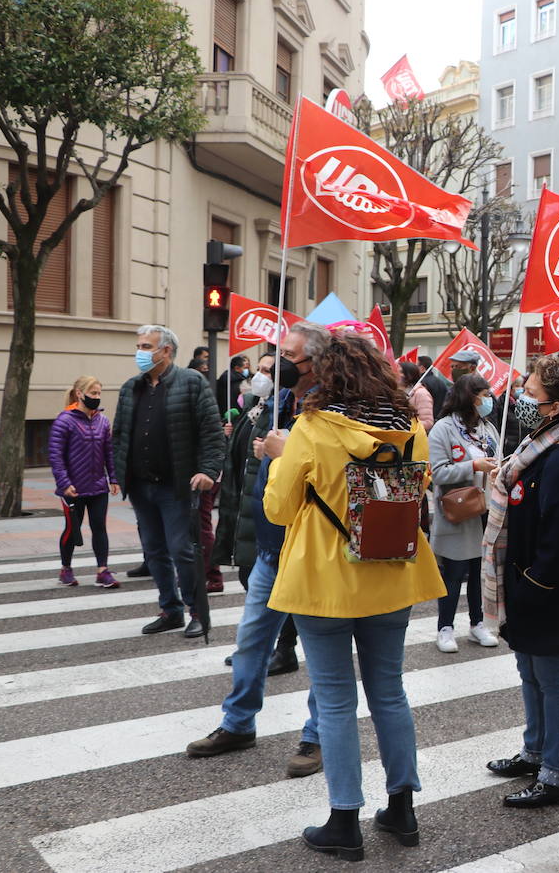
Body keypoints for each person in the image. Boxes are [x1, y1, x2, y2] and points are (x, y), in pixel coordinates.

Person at [262, 331, 446, 860]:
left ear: (327, 373)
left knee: (337, 700)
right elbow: (417, 488)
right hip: (392, 574)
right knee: (390, 691)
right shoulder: (411, 428)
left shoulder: (313, 428)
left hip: (325, 581)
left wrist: (278, 458)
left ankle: (344, 819)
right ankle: (402, 808)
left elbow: (279, 508)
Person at [186, 322, 330, 777]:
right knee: (251, 642)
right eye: (278, 352)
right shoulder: (276, 402)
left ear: (317, 361)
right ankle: (237, 723)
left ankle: (317, 735)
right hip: (270, 544)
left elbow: (330, 474)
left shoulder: (332, 405)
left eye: (290, 354)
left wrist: (284, 453)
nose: (279, 361)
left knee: (321, 652)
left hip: (310, 548)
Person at [483, 354, 559, 808]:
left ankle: (556, 777)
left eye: (530, 393)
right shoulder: (539, 445)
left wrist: (534, 585)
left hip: (543, 590)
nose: (521, 399)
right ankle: (535, 752)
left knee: (552, 677)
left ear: (555, 405)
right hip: (523, 583)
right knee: (529, 671)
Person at [113, 325, 224, 637]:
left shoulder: (191, 383)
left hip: (177, 485)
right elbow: (119, 434)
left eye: (146, 346)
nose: (140, 352)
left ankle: (197, 611)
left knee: (182, 550)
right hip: (140, 485)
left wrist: (208, 471)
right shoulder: (131, 387)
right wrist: (117, 471)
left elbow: (212, 435)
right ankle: (170, 610)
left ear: (166, 351)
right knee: (154, 551)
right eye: (139, 345)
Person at [428, 373, 501, 654]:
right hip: (458, 512)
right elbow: (438, 472)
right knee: (453, 572)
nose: (489, 400)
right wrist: (473, 466)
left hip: (487, 509)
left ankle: (477, 623)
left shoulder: (488, 428)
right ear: (468, 396)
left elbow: (497, 461)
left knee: (479, 571)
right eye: (483, 394)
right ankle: (445, 628)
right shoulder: (443, 429)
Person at [50, 376, 121, 589]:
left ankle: (102, 571)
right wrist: (64, 483)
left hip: (98, 486)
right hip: (73, 488)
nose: (96, 397)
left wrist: (114, 478)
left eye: (99, 393)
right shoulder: (64, 420)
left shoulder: (102, 421)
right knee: (73, 528)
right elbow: (55, 455)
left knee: (100, 527)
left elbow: (109, 452)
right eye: (93, 393)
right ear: (80, 394)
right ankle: (66, 569)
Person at [399, 361, 434, 433]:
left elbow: (428, 422)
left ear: (409, 375)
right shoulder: (397, 393)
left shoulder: (421, 393)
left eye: (400, 372)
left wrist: (404, 426)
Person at [418, 354, 449, 419]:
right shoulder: (440, 382)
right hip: (440, 417)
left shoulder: (422, 383)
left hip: (428, 419)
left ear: (422, 368)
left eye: (416, 366)